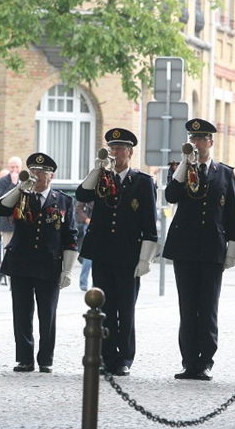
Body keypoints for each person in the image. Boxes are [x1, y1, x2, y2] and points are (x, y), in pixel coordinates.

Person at [163, 118, 235, 381]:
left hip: (212, 248)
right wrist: (185, 164)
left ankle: (205, 361)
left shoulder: (224, 173)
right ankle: (189, 361)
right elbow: (171, 196)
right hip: (185, 247)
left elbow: (230, 212)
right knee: (187, 307)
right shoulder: (179, 168)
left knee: (208, 308)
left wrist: (233, 247)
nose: (196, 144)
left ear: (210, 142)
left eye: (200, 139)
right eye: (192, 139)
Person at [76, 128, 160, 376]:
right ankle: (105, 356)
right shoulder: (101, 178)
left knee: (126, 308)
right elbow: (82, 194)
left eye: (119, 149)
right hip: (103, 253)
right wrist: (98, 169)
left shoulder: (142, 182)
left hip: (128, 255)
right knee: (104, 308)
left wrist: (145, 259)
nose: (114, 153)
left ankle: (124, 358)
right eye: (111, 148)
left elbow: (149, 223)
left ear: (130, 152)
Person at [0, 153, 78, 373]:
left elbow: (70, 236)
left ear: (52, 176)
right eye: (33, 171)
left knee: (47, 315)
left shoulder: (63, 201)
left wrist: (67, 270)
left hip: (49, 264)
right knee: (22, 313)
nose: (37, 175)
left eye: (42, 172)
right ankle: (24, 358)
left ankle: (46, 359)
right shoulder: (21, 195)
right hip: (21, 263)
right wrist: (20, 187)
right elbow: (1, 209)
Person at [0, 157, 22, 284]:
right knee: (6, 250)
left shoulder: (25, 179)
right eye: (12, 167)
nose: (15, 170)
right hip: (6, 223)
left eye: (17, 167)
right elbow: (3, 200)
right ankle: (6, 277)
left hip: (22, 222)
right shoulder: (3, 181)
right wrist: (13, 184)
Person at [75, 200, 94, 291]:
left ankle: (95, 283)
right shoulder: (90, 193)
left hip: (102, 225)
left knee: (98, 256)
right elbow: (79, 208)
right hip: (89, 225)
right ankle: (83, 282)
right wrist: (86, 219)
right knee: (89, 256)